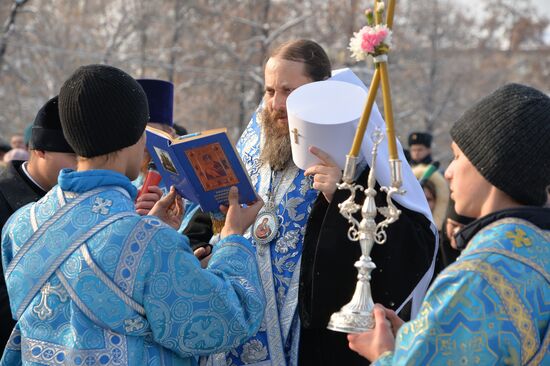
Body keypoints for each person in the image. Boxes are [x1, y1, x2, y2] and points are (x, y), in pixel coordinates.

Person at [186, 39, 436, 365]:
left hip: (307, 344)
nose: (275, 104)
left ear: (319, 92)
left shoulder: (357, 149)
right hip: (237, 328)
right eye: (269, 90)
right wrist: (200, 245)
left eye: (288, 92)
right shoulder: (254, 142)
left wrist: (344, 192)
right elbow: (216, 211)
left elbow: (412, 242)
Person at [1, 64, 266, 365]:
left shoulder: (21, 224)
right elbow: (225, 321)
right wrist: (232, 239)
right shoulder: (149, 243)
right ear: (139, 137)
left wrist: (153, 232)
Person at [348, 83, 550, 365]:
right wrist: (417, 339)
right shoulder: (539, 252)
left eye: (457, 156)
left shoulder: (478, 274)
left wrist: (382, 353)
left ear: (489, 164)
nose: (451, 172)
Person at [0, 96, 77, 354]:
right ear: (40, 150)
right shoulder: (4, 198)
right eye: (72, 155)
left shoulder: (79, 201)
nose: (81, 166)